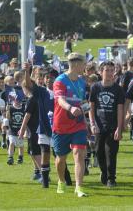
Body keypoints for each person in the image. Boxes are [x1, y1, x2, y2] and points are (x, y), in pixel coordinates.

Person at [52, 52, 89, 197]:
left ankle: (79, 187)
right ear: (76, 64)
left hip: (78, 125)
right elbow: (60, 99)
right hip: (61, 125)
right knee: (61, 158)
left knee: (79, 154)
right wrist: (70, 107)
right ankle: (61, 181)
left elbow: (82, 102)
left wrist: (88, 119)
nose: (85, 66)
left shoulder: (82, 82)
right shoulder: (60, 80)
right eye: (84, 64)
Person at [89, 61, 124, 187]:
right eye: (106, 70)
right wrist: (93, 124)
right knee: (99, 152)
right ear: (100, 72)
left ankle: (111, 178)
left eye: (111, 70)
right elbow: (91, 108)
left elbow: (120, 109)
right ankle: (104, 172)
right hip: (99, 126)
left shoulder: (118, 89)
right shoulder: (95, 87)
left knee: (111, 152)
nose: (109, 73)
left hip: (112, 126)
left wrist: (119, 128)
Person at [6, 92, 25, 165]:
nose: (17, 101)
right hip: (12, 130)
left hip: (20, 130)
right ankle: (10, 157)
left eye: (19, 100)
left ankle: (20, 157)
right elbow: (8, 117)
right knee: (11, 143)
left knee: (21, 145)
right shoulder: (11, 108)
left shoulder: (23, 108)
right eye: (16, 100)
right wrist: (7, 110)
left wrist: (25, 130)